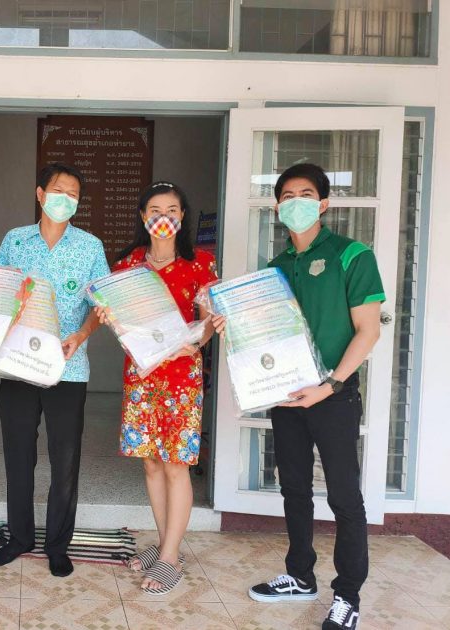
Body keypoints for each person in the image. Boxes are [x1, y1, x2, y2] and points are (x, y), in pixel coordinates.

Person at [215, 163, 384, 630]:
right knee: (293, 488)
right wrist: (233, 324)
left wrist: (329, 385)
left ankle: (347, 595)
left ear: (323, 204)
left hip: (333, 395)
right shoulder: (276, 267)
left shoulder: (352, 255)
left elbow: (368, 331)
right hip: (286, 395)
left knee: (344, 497)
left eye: (306, 194)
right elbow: (262, 334)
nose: (296, 203)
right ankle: (300, 575)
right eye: (287, 196)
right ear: (277, 207)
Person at [0, 162, 111, 577]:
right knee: (18, 455)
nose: (65, 199)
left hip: (68, 368)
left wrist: (82, 334)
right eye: (59, 191)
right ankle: (20, 537)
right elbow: (0, 292)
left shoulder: (90, 246)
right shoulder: (15, 240)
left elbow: (101, 304)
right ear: (40, 194)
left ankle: (58, 545)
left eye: (73, 194)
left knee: (65, 460)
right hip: (18, 365)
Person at [98, 182, 217, 594]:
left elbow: (208, 321)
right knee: (150, 463)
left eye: (171, 210)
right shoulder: (127, 264)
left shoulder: (201, 263)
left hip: (182, 377)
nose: (163, 217)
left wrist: (197, 342)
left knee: (175, 464)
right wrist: (110, 318)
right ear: (143, 216)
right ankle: (168, 545)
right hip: (142, 375)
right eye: (154, 210)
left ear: (182, 216)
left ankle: (169, 557)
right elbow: (119, 322)